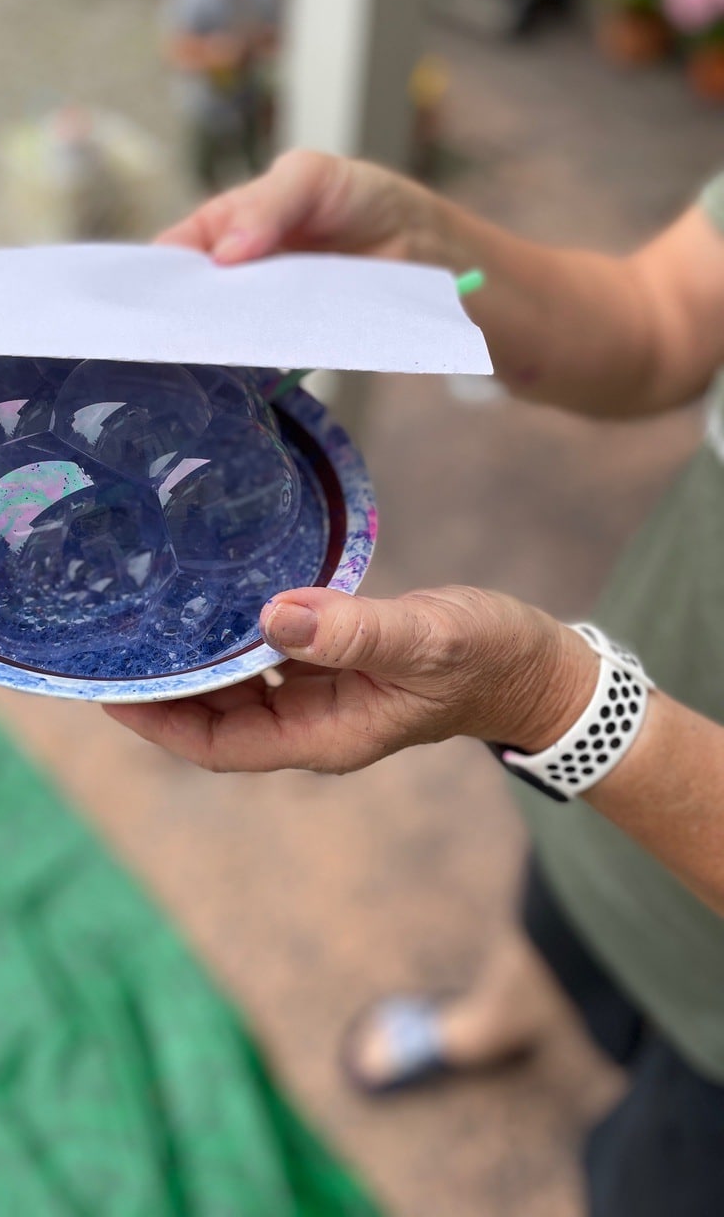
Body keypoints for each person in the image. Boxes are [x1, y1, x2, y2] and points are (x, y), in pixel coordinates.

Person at [105, 148, 724, 1217]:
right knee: (569, 891)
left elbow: (555, 700)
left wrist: (556, 704)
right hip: (632, 718)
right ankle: (504, 1014)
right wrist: (436, 258)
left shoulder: (566, 706)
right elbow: (667, 320)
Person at [162, 0, 280, 191]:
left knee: (258, 169)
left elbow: (278, 36)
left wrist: (251, 46)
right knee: (205, 174)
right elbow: (175, 49)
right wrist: (213, 53)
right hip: (206, 104)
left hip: (250, 98)